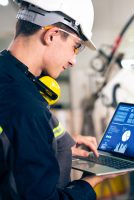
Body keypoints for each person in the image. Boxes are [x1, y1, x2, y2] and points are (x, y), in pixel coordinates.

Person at [0, 0, 119, 199]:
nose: (73, 61)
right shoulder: (26, 106)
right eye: (76, 46)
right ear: (52, 35)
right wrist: (90, 182)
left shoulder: (9, 79)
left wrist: (52, 144)